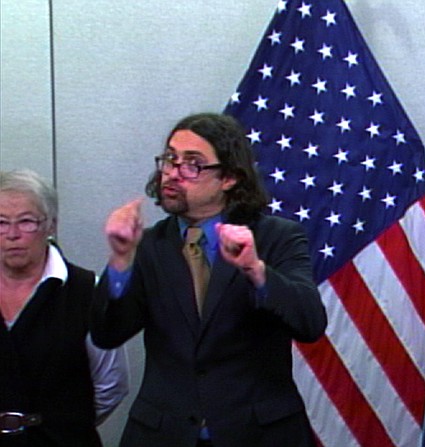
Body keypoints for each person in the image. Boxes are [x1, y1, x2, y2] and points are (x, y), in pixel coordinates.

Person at [90, 113, 327, 447]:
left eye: (192, 164)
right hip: (165, 436)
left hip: (258, 435)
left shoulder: (277, 237)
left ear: (228, 177)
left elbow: (310, 322)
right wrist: (119, 260)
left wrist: (256, 271)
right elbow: (107, 333)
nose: (172, 173)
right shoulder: (147, 246)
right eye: (170, 159)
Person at [1, 169, 128, 446]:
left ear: (51, 226)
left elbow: (111, 386)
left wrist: (66, 424)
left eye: (26, 222)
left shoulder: (87, 291)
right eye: (1, 222)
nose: (12, 234)